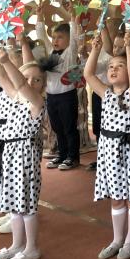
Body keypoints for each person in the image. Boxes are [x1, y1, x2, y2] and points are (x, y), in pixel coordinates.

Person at [84, 31, 130, 259]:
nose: (113, 69)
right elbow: (88, 74)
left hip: (128, 151)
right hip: (108, 152)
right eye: (111, 66)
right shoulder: (106, 94)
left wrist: (129, 48)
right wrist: (95, 50)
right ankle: (117, 239)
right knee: (116, 197)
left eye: (119, 66)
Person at [0, 39, 47, 259]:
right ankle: (17, 245)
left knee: (26, 206)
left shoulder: (37, 102)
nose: (31, 82)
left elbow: (20, 84)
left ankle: (32, 248)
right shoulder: (14, 97)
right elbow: (0, 76)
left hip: (24, 158)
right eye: (27, 77)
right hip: (8, 155)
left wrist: (8, 61)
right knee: (14, 205)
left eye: (37, 80)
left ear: (43, 86)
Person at [37, 13, 82, 170]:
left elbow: (75, 39)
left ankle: (73, 157)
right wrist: (40, 17)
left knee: (69, 128)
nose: (55, 40)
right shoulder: (50, 52)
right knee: (57, 128)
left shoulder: (70, 54)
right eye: (54, 37)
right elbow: (42, 37)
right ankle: (62, 154)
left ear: (68, 40)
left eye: (60, 37)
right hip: (51, 97)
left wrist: (73, 19)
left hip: (67, 97)